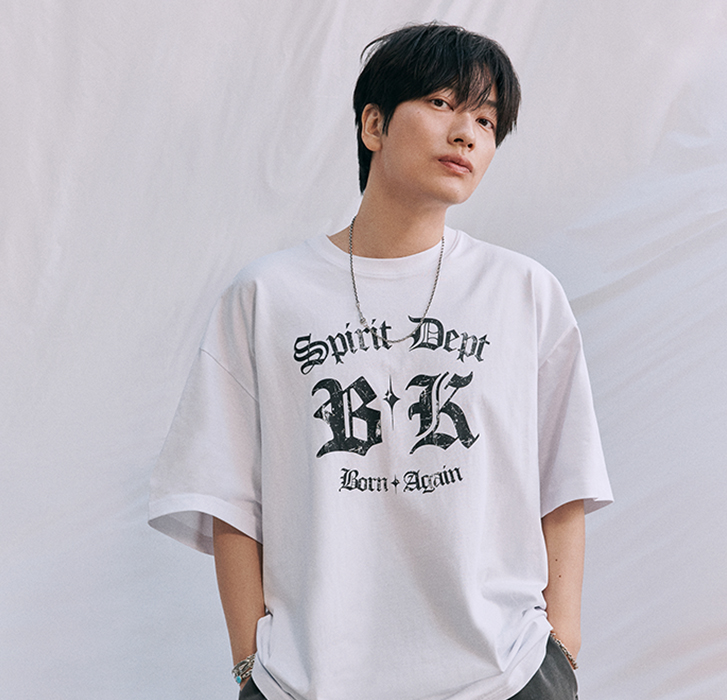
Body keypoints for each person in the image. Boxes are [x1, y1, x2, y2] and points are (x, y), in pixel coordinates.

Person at [149, 22, 612, 700]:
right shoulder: (269, 296)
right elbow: (227, 497)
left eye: (486, 120)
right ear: (374, 125)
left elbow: (564, 479)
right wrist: (252, 668)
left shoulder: (523, 292)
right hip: (312, 683)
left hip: (505, 675)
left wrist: (561, 649)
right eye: (442, 103)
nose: (466, 133)